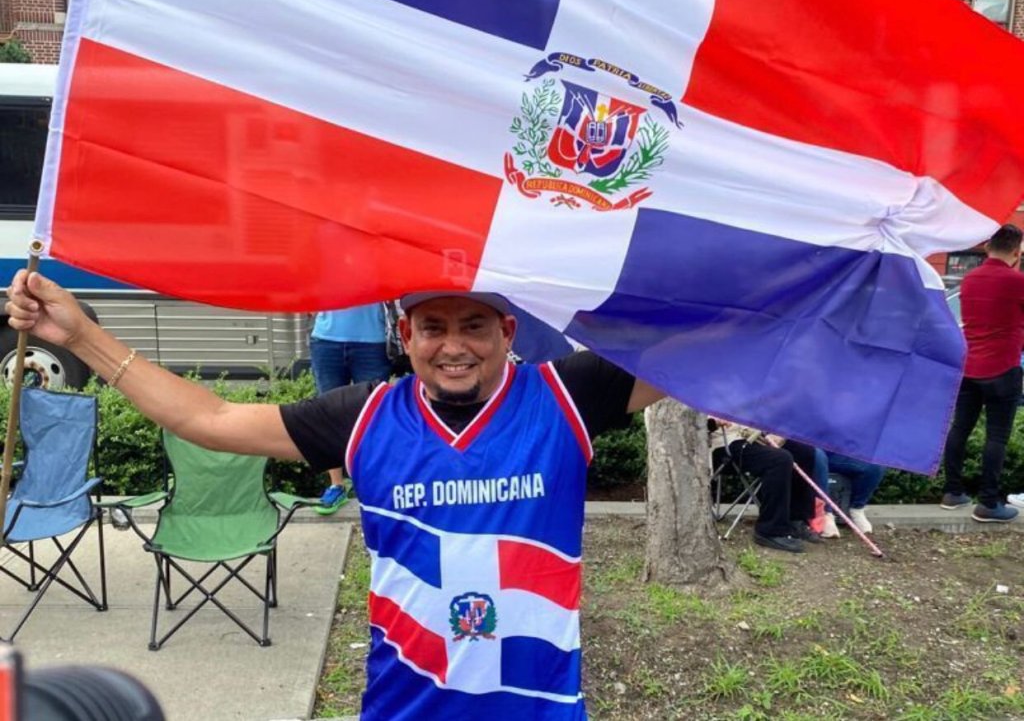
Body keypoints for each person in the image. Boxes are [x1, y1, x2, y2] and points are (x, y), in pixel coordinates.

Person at [5, 273, 665, 720]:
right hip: (405, 707)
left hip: (540, 707)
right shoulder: (364, 416)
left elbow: (699, 357)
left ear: (508, 332)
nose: (454, 346)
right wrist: (81, 336)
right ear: (405, 336)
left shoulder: (565, 397)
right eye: (433, 327)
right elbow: (209, 419)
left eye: (474, 325)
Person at [941, 224, 1024, 523]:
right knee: (997, 436)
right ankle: (988, 503)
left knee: (960, 428)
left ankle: (952, 492)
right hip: (1003, 367)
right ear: (1016, 252)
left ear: (988, 247)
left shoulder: (970, 279)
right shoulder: (1017, 281)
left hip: (969, 366)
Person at [308, 304, 391, 513]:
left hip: (372, 340)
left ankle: (372, 485)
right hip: (326, 339)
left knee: (374, 417)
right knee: (327, 414)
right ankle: (336, 485)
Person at [709, 419, 821, 553]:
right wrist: (713, 422)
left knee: (803, 450)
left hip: (755, 439)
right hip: (723, 445)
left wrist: (777, 433)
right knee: (779, 459)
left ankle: (795, 519)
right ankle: (770, 530)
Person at [812, 448, 886, 537]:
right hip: (808, 450)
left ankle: (856, 509)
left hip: (835, 451)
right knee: (817, 454)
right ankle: (825, 514)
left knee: (874, 465)